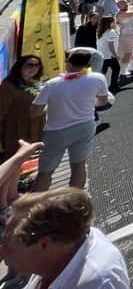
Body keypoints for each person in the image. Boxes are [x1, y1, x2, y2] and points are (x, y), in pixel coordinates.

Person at [0, 187, 130, 289]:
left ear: (44, 244)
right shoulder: (58, 259)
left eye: (7, 244)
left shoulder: (98, 286)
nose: (2, 251)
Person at [30, 49, 110, 191]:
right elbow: (103, 101)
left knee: (46, 171)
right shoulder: (98, 78)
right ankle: (73, 202)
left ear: (68, 64)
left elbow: (34, 113)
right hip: (85, 126)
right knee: (79, 165)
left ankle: (35, 205)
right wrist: (85, 103)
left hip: (56, 131)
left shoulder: (52, 84)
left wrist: (49, 108)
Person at [0, 56, 45, 161]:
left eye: (37, 65)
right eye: (30, 65)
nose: (34, 68)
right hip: (14, 131)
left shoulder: (36, 83)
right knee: (13, 161)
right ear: (20, 67)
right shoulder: (8, 86)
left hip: (33, 129)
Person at [96, 15, 120, 92]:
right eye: (113, 21)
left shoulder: (100, 31)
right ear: (110, 23)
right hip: (109, 56)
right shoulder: (111, 32)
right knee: (116, 68)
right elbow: (111, 46)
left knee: (103, 72)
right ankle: (114, 86)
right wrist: (116, 55)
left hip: (102, 55)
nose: (115, 22)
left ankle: (99, 87)